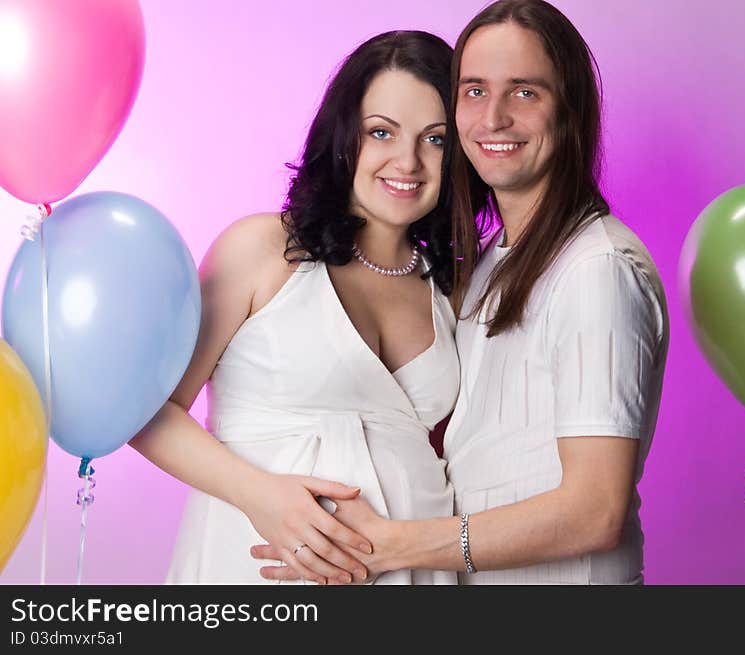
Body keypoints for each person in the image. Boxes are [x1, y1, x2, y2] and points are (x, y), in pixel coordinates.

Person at [254, 0, 669, 585]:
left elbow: (594, 512)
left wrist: (394, 546)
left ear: (571, 110)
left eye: (524, 92)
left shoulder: (595, 270)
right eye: (473, 91)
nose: (492, 118)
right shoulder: (488, 267)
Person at [130, 30, 460, 585]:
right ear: (343, 138)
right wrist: (261, 496)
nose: (408, 161)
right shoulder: (262, 250)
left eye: (436, 139)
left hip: (417, 575)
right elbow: (147, 413)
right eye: (382, 132)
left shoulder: (450, 290)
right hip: (257, 568)